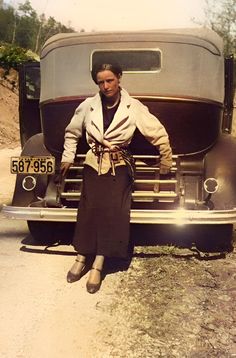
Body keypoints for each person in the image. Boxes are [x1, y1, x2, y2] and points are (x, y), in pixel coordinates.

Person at [60, 62, 172, 294]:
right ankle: (81, 258)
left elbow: (157, 132)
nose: (105, 85)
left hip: (118, 166)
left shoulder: (133, 106)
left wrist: (166, 159)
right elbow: (72, 133)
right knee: (89, 211)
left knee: (112, 214)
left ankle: (98, 265)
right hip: (93, 164)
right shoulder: (88, 106)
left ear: (119, 78)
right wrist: (67, 157)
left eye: (110, 80)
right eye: (101, 82)